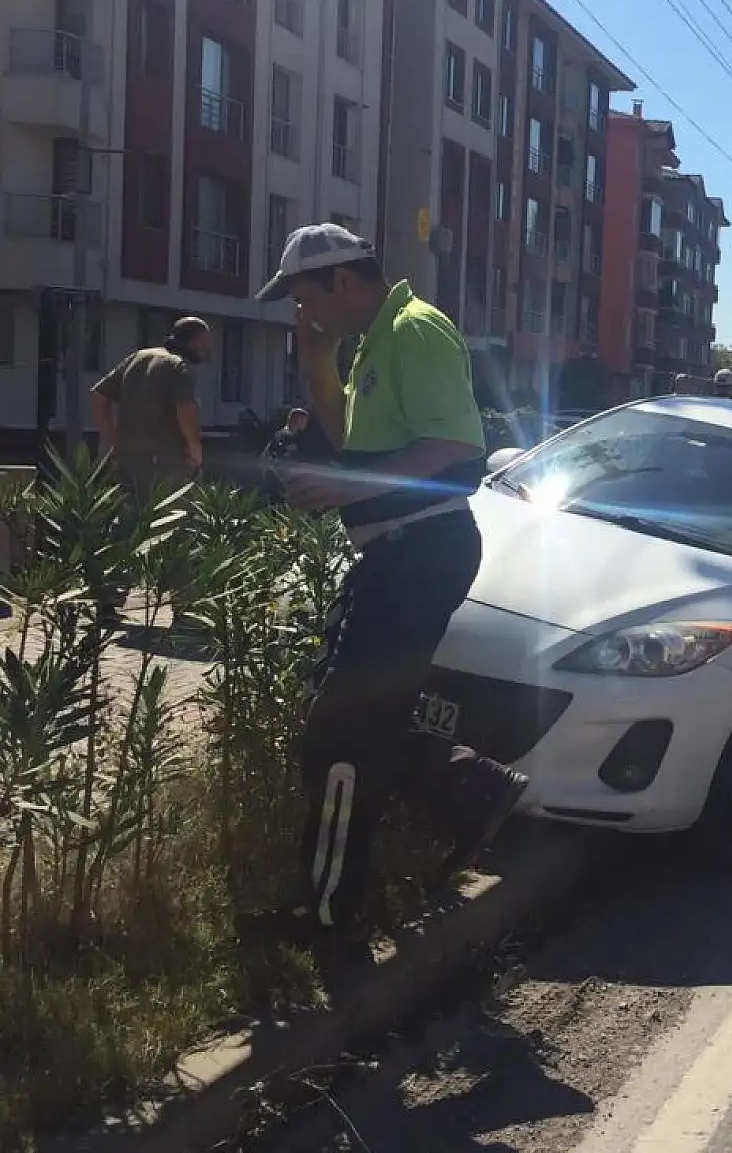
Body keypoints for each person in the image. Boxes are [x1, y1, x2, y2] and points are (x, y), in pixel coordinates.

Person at [240, 221, 529, 967]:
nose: (303, 311)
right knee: (357, 718)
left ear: (342, 280)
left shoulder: (414, 330)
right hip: (399, 553)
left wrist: (345, 487)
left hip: (421, 549)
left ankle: (331, 916)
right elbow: (352, 444)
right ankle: (470, 786)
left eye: (306, 297)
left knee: (339, 734)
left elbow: (455, 447)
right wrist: (318, 364)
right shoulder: (372, 342)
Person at [89, 317, 210, 624]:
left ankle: (107, 601)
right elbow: (185, 410)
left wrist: (114, 441)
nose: (208, 350)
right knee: (179, 528)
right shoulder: (180, 367)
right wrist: (195, 449)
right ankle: (183, 606)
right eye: (206, 343)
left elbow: (98, 397)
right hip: (168, 463)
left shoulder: (137, 358)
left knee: (127, 528)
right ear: (195, 341)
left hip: (131, 461)